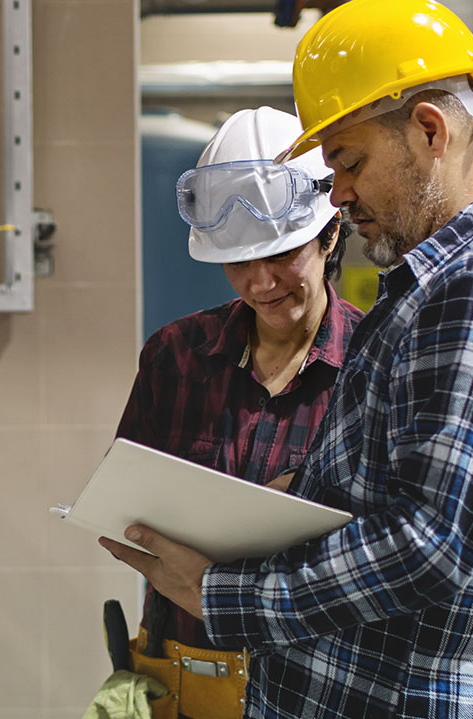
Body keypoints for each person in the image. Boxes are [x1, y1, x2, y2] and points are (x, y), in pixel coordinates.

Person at [100, 1, 473, 718]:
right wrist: (293, 493)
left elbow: (427, 543)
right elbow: (399, 489)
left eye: (349, 160)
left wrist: (217, 592)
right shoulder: (431, 291)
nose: (338, 193)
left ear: (430, 128)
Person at [111, 106, 364, 719]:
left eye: (281, 256)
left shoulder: (373, 365)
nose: (259, 283)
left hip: (315, 687)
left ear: (330, 235)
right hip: (175, 677)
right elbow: (126, 502)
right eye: (238, 263)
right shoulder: (175, 358)